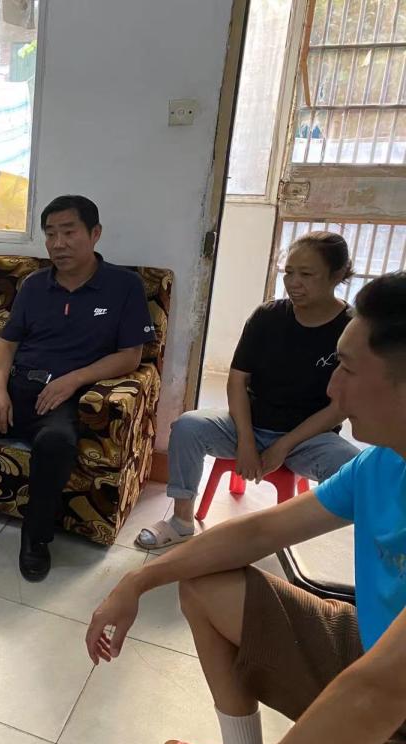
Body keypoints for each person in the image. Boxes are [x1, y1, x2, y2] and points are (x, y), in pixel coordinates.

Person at [86, 271, 406, 744]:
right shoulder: (382, 463)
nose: (332, 387)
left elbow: (375, 692)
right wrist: (137, 581)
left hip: (389, 691)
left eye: (347, 368)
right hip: (369, 643)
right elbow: (260, 530)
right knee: (203, 580)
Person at [0, 195, 154, 582]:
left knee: (56, 442)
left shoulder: (123, 286)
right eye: (50, 234)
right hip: (17, 386)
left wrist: (74, 379)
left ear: (95, 234)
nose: (58, 243)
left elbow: (131, 357)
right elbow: (6, 344)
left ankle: (36, 537)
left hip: (62, 399)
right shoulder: (36, 285)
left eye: (68, 232)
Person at [137, 231, 360, 550]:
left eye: (307, 274)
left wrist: (283, 445)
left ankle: (292, 533)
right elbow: (237, 381)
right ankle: (181, 521)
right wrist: (245, 441)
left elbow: (341, 406)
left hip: (309, 439)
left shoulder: (351, 328)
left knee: (354, 470)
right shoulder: (267, 317)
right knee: (187, 426)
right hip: (250, 425)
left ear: (337, 275)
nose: (294, 283)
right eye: (289, 272)